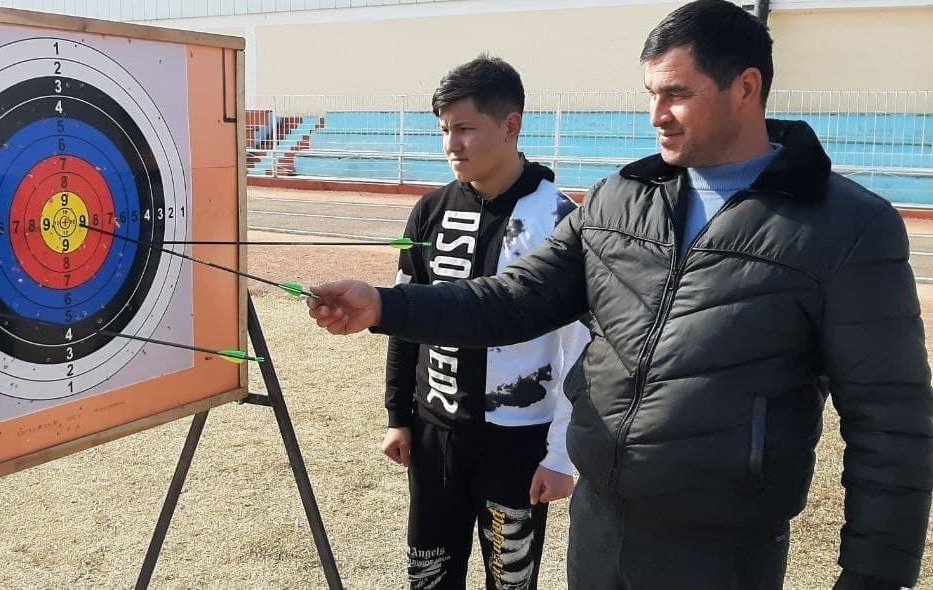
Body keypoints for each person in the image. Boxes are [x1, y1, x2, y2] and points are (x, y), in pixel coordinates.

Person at [307, 2, 932, 589]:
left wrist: (874, 576)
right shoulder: (617, 201)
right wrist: (385, 306)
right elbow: (513, 300)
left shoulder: (847, 228)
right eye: (650, 94)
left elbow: (891, 420)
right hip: (599, 526)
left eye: (677, 93)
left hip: (722, 547)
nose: (657, 114)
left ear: (746, 88)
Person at [383, 54, 588, 590]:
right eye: (444, 130)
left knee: (510, 582)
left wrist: (560, 454)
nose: (451, 144)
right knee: (428, 577)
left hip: (516, 441)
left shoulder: (559, 219)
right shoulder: (429, 211)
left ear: (510, 125)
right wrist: (398, 416)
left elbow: (581, 348)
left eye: (466, 128)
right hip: (434, 432)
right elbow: (407, 318)